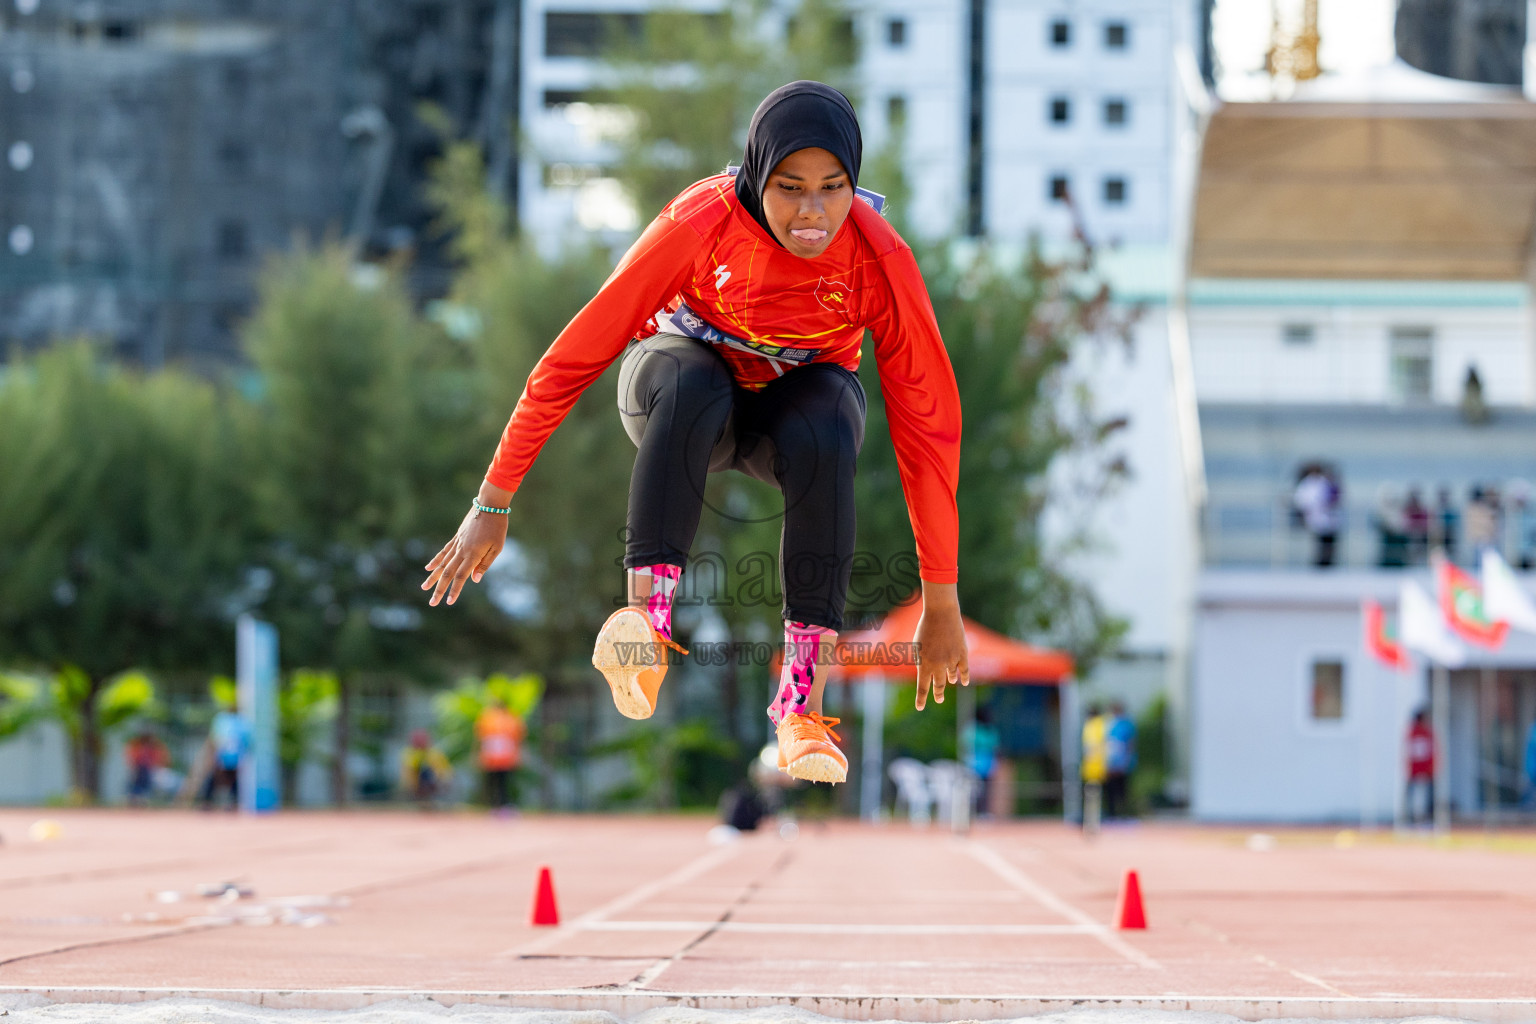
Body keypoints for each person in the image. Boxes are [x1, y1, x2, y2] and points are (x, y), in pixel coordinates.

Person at [420, 82, 970, 784]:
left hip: (784, 424)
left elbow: (930, 426)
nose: (813, 213)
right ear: (754, 175)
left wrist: (942, 599)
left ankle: (801, 705)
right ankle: (644, 629)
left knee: (833, 414)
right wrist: (493, 500)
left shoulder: (879, 260)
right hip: (676, 397)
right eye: (790, 187)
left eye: (834, 188)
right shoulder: (701, 221)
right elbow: (573, 356)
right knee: (695, 381)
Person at [475, 698, 524, 810]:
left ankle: (504, 804)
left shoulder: (511, 718)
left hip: (504, 757)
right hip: (493, 757)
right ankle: (495, 805)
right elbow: (481, 738)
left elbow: (517, 738)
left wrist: (518, 754)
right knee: (493, 782)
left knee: (504, 782)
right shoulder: (488, 718)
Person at [200, 702, 248, 811]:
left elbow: (216, 739)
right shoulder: (238, 722)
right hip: (230, 757)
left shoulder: (224, 721)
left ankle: (209, 802)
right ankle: (226, 803)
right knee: (226, 780)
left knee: (218, 779)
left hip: (226, 756)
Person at [1293, 464, 1341, 568]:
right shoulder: (1307, 483)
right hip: (1315, 517)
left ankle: (1327, 563)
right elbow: (1301, 500)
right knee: (1317, 543)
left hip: (1327, 518)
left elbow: (1334, 498)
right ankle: (1318, 563)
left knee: (1328, 542)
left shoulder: (1325, 482)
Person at [400, 729, 453, 809]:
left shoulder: (434, 754)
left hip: (433, 782)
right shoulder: (410, 754)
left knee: (428, 772)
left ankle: (432, 799)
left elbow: (444, 772)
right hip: (417, 783)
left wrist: (443, 782)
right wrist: (411, 785)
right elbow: (408, 772)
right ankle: (422, 800)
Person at [964, 705, 1000, 818]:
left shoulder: (990, 729)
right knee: (974, 790)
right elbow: (967, 745)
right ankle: (973, 812)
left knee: (986, 790)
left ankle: (983, 812)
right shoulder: (972, 729)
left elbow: (995, 746)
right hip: (974, 764)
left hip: (987, 763)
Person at [1104, 701, 1136, 820]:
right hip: (1111, 763)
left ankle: (1123, 813)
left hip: (1122, 763)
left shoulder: (1126, 724)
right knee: (1110, 789)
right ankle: (1112, 813)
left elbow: (1130, 743)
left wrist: (1126, 762)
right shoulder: (1109, 723)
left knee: (1122, 789)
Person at [1080, 703, 1107, 836]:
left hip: (1093, 768)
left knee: (1092, 799)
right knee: (1094, 798)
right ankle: (1092, 824)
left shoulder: (1092, 726)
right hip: (1097, 768)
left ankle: (1091, 825)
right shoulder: (1101, 725)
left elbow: (1092, 749)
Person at [124, 730, 169, 807]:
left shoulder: (150, 747)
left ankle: (138, 799)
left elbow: (158, 756)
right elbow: (133, 756)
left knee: (142, 784)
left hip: (145, 768)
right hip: (140, 768)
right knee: (139, 784)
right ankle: (135, 799)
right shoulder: (138, 745)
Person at [1406, 709, 1435, 826]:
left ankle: (1422, 818)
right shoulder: (1417, 732)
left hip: (1423, 770)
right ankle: (1414, 819)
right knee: (1417, 796)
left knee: (1424, 796)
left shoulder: (1424, 732)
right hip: (1417, 770)